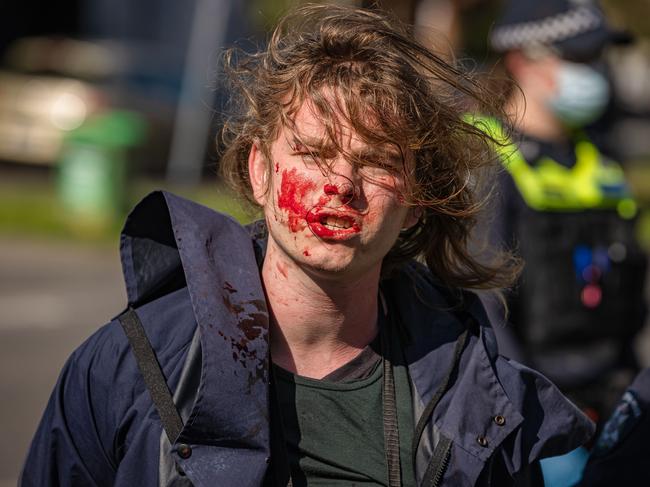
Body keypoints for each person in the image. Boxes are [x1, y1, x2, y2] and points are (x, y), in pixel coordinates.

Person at [21, 4, 594, 486]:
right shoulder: (131, 363)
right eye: (315, 154)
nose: (341, 186)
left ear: (417, 198)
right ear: (261, 172)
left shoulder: (478, 397)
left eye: (376, 163)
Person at [481, 0, 647, 425]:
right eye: (579, 58)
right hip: (536, 413)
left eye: (597, 57)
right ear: (521, 61)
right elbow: (484, 310)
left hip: (615, 401)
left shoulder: (601, 161)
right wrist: (530, 417)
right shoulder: (484, 159)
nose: (594, 71)